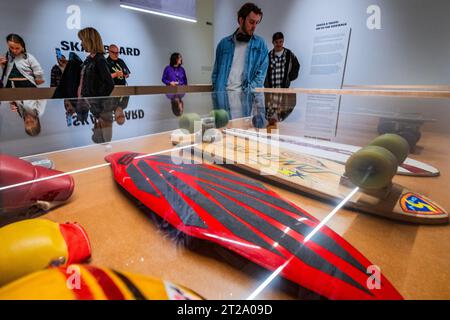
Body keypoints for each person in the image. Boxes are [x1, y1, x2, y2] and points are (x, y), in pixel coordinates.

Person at [211, 2, 268, 92]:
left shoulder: (261, 45)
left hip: (246, 98)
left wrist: (247, 92)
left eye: (257, 23)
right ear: (241, 20)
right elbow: (215, 73)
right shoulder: (223, 44)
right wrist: (217, 93)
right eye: (251, 22)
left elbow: (260, 76)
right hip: (223, 97)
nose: (254, 26)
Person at [77, 27, 114, 98]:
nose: (81, 44)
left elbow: (109, 84)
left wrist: (96, 101)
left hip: (93, 107)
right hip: (84, 103)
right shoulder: (88, 60)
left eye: (82, 40)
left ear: (89, 40)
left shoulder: (99, 60)